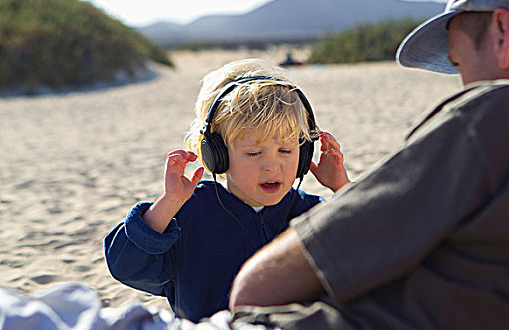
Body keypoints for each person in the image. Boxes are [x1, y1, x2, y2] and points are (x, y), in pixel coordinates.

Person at [227, 0, 509, 329]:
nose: (464, 86)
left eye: (459, 64)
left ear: (503, 33)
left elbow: (253, 288)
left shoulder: (503, 113)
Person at [104, 59, 351, 322]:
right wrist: (168, 204)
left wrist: (342, 188)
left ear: (303, 154)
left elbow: (367, 256)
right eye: (254, 153)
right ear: (216, 156)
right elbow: (126, 266)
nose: (272, 166)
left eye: (286, 151)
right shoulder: (189, 215)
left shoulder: (311, 213)